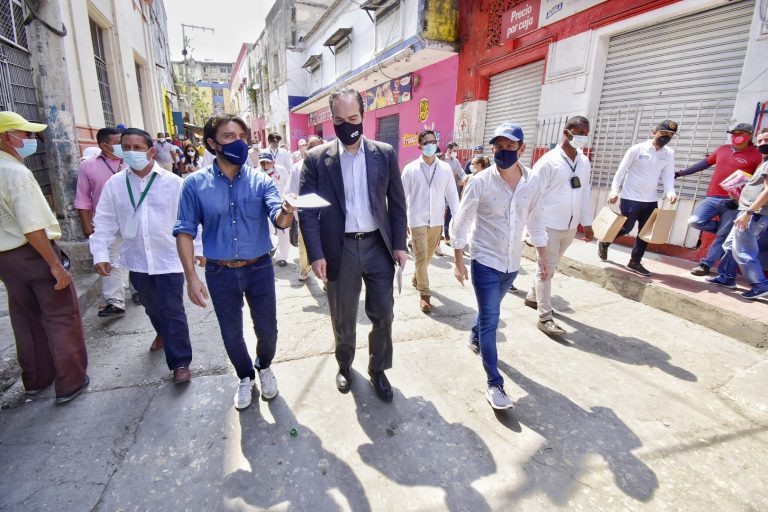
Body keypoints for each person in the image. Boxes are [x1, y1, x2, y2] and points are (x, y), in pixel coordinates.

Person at [174, 114, 296, 410]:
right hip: (219, 271)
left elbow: (279, 219)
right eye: (230, 137)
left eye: (242, 136)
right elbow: (185, 231)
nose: (239, 143)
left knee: (268, 329)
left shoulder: (261, 181)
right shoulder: (193, 185)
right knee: (231, 332)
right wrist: (191, 277)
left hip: (259, 268)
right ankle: (245, 377)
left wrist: (288, 210)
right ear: (212, 143)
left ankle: (264, 367)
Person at [299, 87, 407, 402]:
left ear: (363, 115)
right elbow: (307, 210)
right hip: (339, 249)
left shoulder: (384, 153)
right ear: (331, 120)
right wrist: (316, 253)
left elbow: (396, 203)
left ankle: (378, 368)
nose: (348, 125)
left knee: (384, 313)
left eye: (354, 118)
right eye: (340, 120)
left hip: (377, 246)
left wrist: (399, 244)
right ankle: (345, 365)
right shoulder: (317, 159)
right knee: (343, 317)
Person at [450, 122, 548, 410]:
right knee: (492, 319)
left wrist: (542, 255)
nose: (502, 151)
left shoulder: (532, 182)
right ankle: (495, 384)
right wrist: (458, 261)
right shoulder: (480, 181)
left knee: (486, 316)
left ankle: (473, 335)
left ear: (521, 148)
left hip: (512, 264)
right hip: (485, 261)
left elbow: (536, 220)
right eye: (498, 146)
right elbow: (462, 221)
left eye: (509, 146)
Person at [89, 128, 194, 384]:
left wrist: (197, 252)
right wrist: (100, 253)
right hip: (136, 260)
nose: (132, 152)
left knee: (172, 309)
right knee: (150, 305)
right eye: (127, 147)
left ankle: (180, 362)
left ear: (150, 151)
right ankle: (162, 332)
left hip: (168, 258)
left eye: (138, 148)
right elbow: (103, 222)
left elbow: (189, 220)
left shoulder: (173, 183)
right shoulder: (114, 185)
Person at [0, 111, 89, 404]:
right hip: (33, 253)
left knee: (25, 318)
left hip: (6, 259)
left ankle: (36, 379)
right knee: (61, 316)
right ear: (6, 138)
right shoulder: (16, 173)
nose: (31, 140)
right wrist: (54, 263)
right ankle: (70, 381)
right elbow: (32, 226)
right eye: (25, 135)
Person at [525, 116, 594, 336]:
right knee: (545, 270)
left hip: (570, 226)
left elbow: (584, 193)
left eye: (586, 132)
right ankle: (545, 317)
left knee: (550, 267)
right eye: (579, 132)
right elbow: (532, 195)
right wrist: (530, 229)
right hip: (548, 225)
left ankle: (532, 297)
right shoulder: (548, 161)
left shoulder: (584, 162)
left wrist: (587, 222)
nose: (582, 137)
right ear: (566, 132)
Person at [677, 123, 763, 276]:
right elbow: (704, 164)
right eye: (734, 133)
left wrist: (741, 200)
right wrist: (681, 173)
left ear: (750, 135)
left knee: (722, 236)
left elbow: (759, 181)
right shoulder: (722, 149)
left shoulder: (756, 155)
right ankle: (724, 229)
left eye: (741, 133)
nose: (736, 136)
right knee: (695, 221)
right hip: (713, 197)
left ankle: (705, 264)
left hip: (734, 203)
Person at [598, 120, 679, 276]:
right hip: (631, 197)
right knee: (627, 227)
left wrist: (670, 192)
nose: (666, 137)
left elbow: (668, 175)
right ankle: (605, 241)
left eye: (670, 135)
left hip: (650, 200)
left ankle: (635, 262)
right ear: (654, 132)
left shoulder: (668, 153)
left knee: (645, 232)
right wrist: (614, 191)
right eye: (664, 134)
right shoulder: (637, 149)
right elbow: (621, 172)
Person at [401, 130, 460, 313]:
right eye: (426, 142)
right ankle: (424, 293)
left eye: (433, 142)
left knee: (428, 257)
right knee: (420, 257)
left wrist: (457, 217)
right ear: (419, 146)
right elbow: (402, 197)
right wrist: (401, 221)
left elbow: (451, 193)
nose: (430, 145)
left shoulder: (444, 168)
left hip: (436, 220)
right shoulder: (410, 169)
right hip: (416, 219)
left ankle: (418, 277)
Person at [706, 128, 768, 299]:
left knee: (744, 250)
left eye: (766, 140)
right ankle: (727, 277)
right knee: (729, 245)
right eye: (761, 140)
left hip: (754, 213)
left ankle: (761, 285)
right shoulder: (764, 161)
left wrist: (749, 212)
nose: (763, 144)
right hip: (747, 210)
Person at [74, 127, 130, 317]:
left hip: (133, 219)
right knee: (111, 257)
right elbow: (82, 197)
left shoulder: (131, 161)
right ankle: (115, 301)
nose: (122, 147)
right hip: (106, 221)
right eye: (117, 143)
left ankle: (139, 290)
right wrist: (86, 223)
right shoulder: (88, 166)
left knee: (134, 252)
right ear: (104, 146)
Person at [286, 135, 323, 281]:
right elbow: (290, 191)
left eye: (319, 146)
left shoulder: (330, 165)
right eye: (312, 146)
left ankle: (326, 279)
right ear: (307, 148)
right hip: (306, 216)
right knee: (304, 245)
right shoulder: (298, 167)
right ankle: (304, 269)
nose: (316, 149)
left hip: (326, 216)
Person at [257, 150, 291, 267]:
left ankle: (283, 256)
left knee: (283, 231)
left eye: (268, 163)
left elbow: (288, 186)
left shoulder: (281, 170)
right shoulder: (256, 173)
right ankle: (268, 251)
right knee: (267, 231)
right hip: (263, 208)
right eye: (263, 163)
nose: (265, 165)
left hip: (281, 207)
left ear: (273, 162)